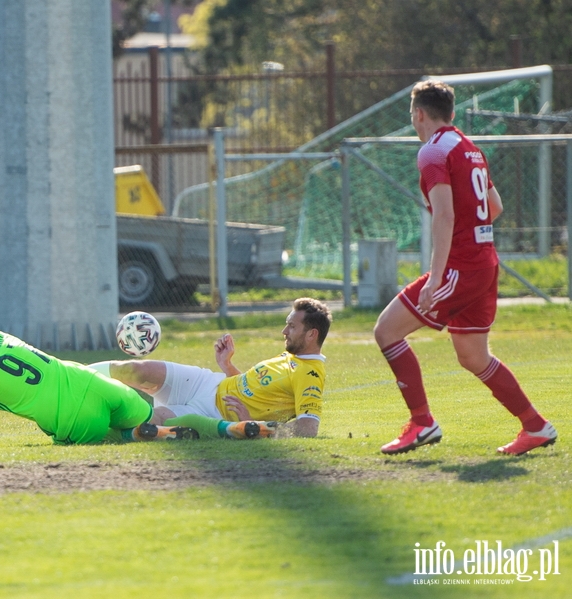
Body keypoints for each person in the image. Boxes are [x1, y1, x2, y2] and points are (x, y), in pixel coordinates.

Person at [374, 79, 557, 456]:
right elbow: (495, 207)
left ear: (418, 114)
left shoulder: (432, 152)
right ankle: (536, 427)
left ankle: (422, 423)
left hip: (459, 268)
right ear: (453, 113)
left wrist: (436, 278)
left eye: (412, 114)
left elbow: (443, 215)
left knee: (387, 332)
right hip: (484, 263)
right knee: (473, 356)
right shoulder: (469, 148)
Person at [0, 302, 199, 448]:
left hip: (74, 418)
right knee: (157, 417)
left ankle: (136, 435)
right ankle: (226, 426)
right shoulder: (0, 337)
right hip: (95, 384)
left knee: (118, 439)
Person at [91, 297, 331, 440]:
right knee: (137, 370)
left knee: (148, 418)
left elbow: (309, 429)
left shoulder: (309, 374)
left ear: (311, 334)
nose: (284, 331)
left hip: (213, 413)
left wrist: (256, 427)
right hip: (208, 382)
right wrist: (227, 365)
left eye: (291, 326)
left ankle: (85, 422)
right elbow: (253, 391)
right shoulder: (292, 356)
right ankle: (73, 373)